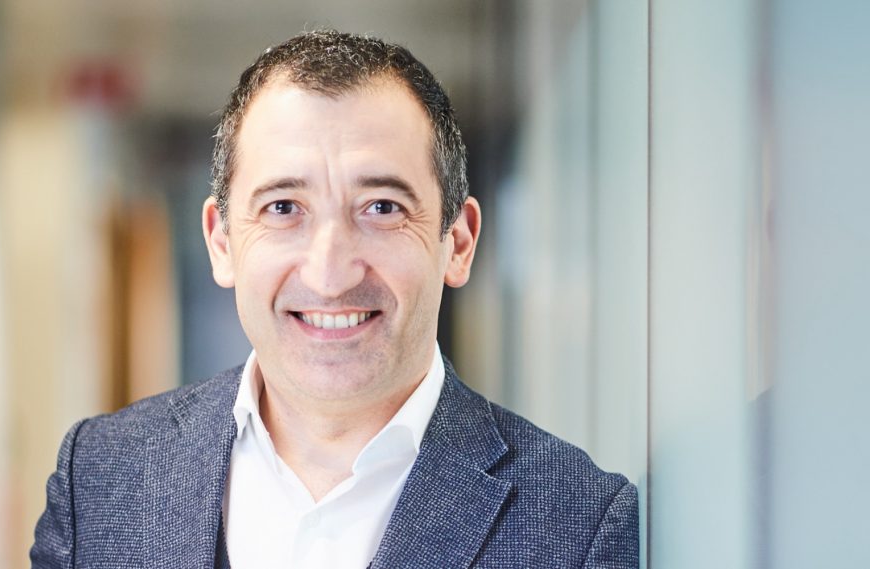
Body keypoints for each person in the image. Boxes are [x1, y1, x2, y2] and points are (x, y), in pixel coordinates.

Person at [31, 29, 638, 569]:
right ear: (221, 242)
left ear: (457, 243)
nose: (329, 274)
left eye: (382, 208)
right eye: (283, 208)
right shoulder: (101, 479)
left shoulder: (577, 527)